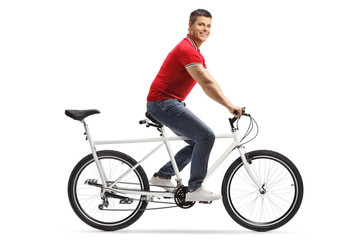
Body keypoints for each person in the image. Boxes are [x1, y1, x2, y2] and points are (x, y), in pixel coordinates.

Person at [146, 9, 242, 202]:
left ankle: (162, 176)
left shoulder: (195, 51)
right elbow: (206, 85)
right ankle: (195, 188)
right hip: (162, 103)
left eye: (208, 26)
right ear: (189, 25)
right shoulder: (187, 50)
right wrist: (229, 106)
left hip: (166, 102)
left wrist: (230, 103)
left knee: (197, 143)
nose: (205, 29)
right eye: (200, 24)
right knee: (206, 136)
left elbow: (211, 81)